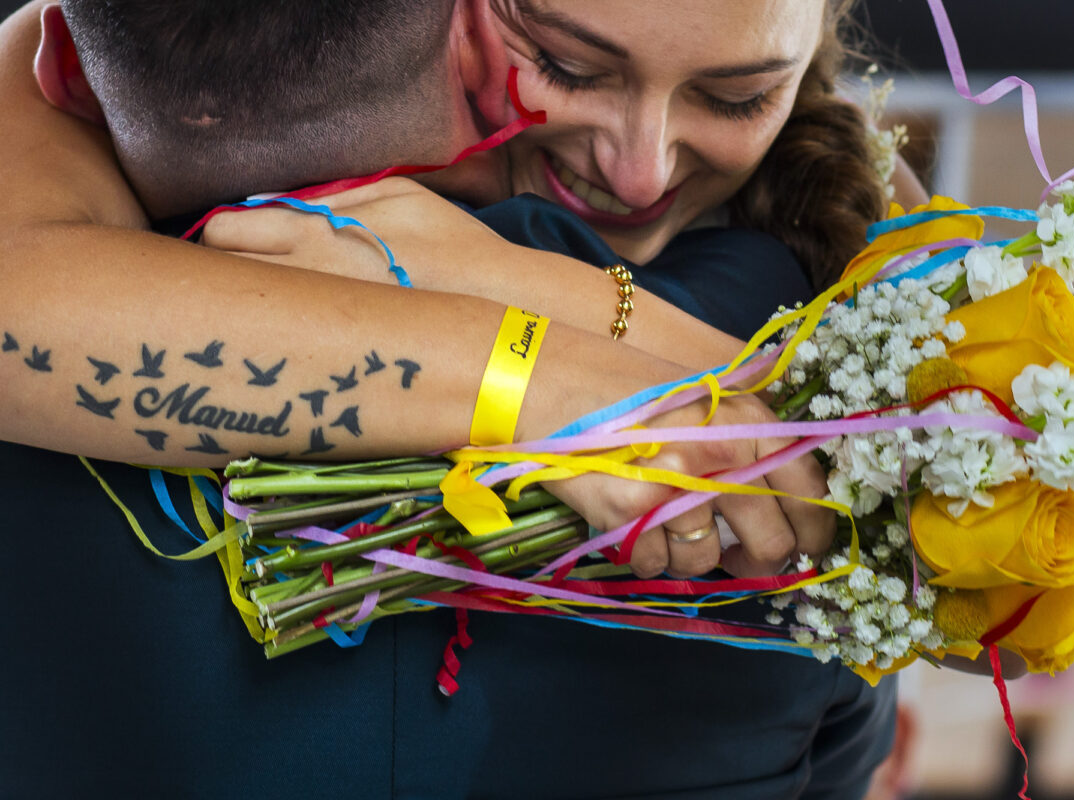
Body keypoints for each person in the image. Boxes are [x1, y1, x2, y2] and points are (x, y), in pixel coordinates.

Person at [0, 0, 899, 796]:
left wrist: (498, 282)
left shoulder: (863, 265)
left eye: (739, 96)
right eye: (566, 64)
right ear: (457, 20)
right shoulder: (812, 313)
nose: (638, 173)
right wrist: (534, 365)